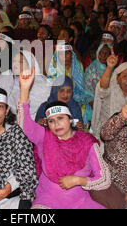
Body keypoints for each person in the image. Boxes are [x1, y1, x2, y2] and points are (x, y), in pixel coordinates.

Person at [18, 68, 111, 209]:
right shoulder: (45, 137)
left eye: (60, 118)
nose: (56, 125)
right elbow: (26, 126)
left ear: (70, 119)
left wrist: (79, 180)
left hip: (79, 202)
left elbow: (104, 179)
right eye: (51, 121)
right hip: (47, 199)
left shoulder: (86, 141)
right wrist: (24, 89)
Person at [91, 57, 127, 139]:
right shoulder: (111, 89)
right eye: (125, 76)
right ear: (117, 78)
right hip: (103, 136)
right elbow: (102, 88)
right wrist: (110, 67)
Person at [83, 43, 112, 125]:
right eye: (101, 53)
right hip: (92, 104)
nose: (103, 55)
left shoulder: (112, 70)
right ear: (97, 53)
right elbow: (87, 91)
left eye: (107, 53)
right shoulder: (91, 69)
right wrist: (96, 106)